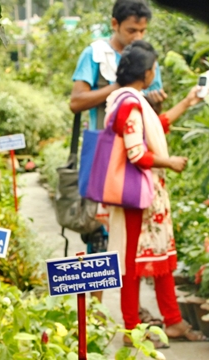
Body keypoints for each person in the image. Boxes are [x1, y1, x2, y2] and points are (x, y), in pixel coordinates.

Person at [105, 40, 205, 346]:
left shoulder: (122, 99)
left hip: (143, 197)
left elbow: (156, 128)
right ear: (146, 74)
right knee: (133, 265)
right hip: (138, 199)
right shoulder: (131, 104)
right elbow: (138, 154)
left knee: (158, 258)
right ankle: (132, 329)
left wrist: (187, 102)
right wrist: (170, 162)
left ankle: (172, 321)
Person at [69, 0, 165, 303]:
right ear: (114, 25)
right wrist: (119, 87)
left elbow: (152, 108)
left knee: (133, 239)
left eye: (142, 30)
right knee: (100, 233)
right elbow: (76, 101)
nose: (137, 36)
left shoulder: (147, 57)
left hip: (137, 157)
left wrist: (156, 102)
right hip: (104, 155)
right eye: (131, 30)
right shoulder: (95, 55)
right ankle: (95, 311)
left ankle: (130, 314)